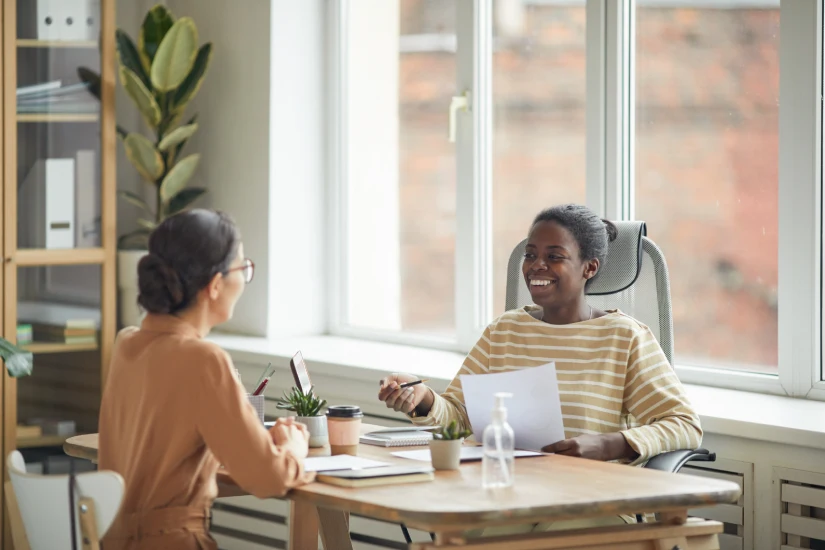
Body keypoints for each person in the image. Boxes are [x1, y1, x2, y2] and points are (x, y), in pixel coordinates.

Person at [378, 204, 702, 532]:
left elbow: (685, 424)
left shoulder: (625, 337)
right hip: (503, 495)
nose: (537, 266)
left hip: (586, 501)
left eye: (554, 256)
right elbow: (461, 418)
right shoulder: (504, 331)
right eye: (530, 255)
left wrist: (607, 445)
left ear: (589, 267)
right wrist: (423, 398)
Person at [99, 209, 313, 550]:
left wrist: (256, 441)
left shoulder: (126, 343)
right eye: (243, 267)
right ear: (215, 285)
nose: (245, 277)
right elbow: (267, 479)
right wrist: (293, 449)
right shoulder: (203, 360)